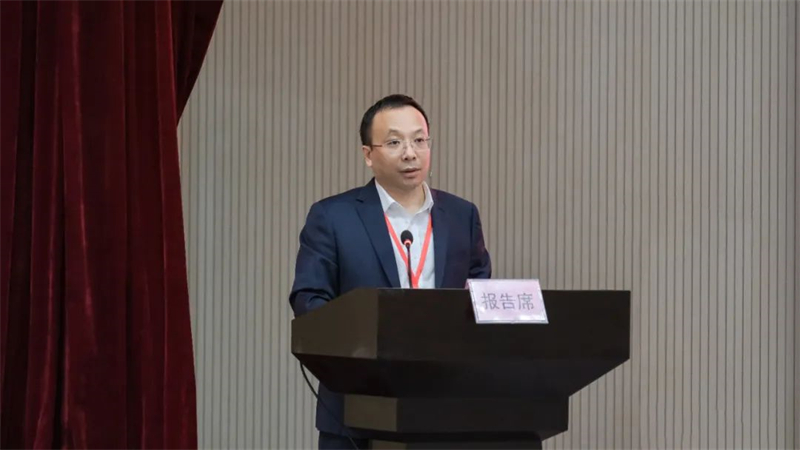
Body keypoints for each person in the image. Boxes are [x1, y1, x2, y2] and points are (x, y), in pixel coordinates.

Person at [289, 94, 492, 449]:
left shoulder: (462, 216)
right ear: (368, 154)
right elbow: (309, 301)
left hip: (446, 408)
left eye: (419, 140)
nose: (410, 153)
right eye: (395, 142)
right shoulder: (333, 217)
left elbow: (480, 292)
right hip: (357, 411)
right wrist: (367, 347)